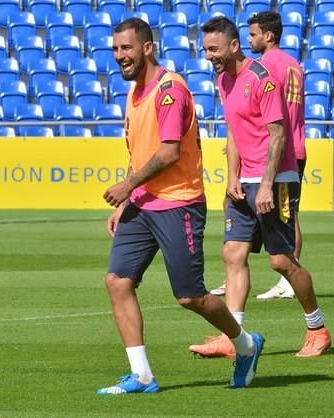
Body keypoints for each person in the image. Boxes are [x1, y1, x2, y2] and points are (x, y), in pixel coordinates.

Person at [96, 18, 264, 395]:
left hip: (178, 204)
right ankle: (141, 376)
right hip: (142, 205)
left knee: (190, 295)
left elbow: (169, 152)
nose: (120, 56)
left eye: (127, 48)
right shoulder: (134, 91)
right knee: (117, 282)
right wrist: (126, 201)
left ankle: (246, 345)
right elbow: (138, 153)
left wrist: (127, 186)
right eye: (117, 49)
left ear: (147, 47)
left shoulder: (169, 89)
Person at [189, 15, 331, 359]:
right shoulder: (224, 80)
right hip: (244, 181)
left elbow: (278, 133)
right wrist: (232, 176)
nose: (209, 56)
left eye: (214, 49)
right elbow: (234, 131)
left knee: (281, 261)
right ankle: (234, 337)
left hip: (275, 180)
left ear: (234, 45)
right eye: (205, 50)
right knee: (232, 253)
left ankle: (318, 328)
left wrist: (266, 184)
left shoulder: (262, 78)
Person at [210, 11, 307, 300]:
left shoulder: (263, 68)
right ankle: (275, 275)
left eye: (253, 34)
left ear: (269, 35)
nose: (250, 39)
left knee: (271, 220)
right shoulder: (294, 65)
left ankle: (288, 276)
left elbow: (260, 114)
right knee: (290, 216)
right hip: (296, 146)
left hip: (273, 151)